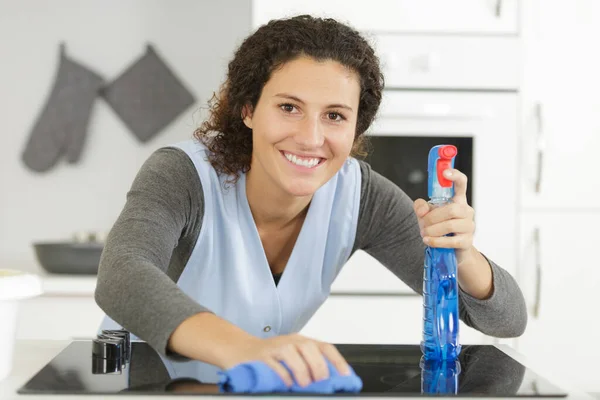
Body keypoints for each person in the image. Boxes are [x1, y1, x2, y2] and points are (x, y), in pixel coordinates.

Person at [95, 14, 527, 389]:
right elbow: (121, 274)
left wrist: (462, 253)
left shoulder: (361, 197)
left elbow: (506, 321)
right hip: (144, 383)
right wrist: (244, 349)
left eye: (335, 116)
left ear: (356, 129)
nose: (311, 137)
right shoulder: (184, 176)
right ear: (248, 109)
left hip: (251, 387)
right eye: (289, 107)